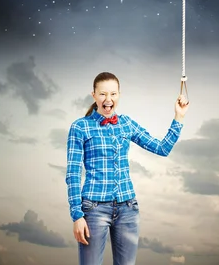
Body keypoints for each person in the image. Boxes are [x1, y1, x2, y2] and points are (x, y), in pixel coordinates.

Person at [65, 71, 189, 264]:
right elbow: (73, 173)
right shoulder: (80, 127)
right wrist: (77, 215)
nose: (108, 99)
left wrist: (178, 117)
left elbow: (162, 148)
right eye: (103, 94)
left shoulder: (126, 124)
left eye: (113, 94)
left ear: (119, 95)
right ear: (94, 95)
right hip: (94, 209)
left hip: (128, 208)